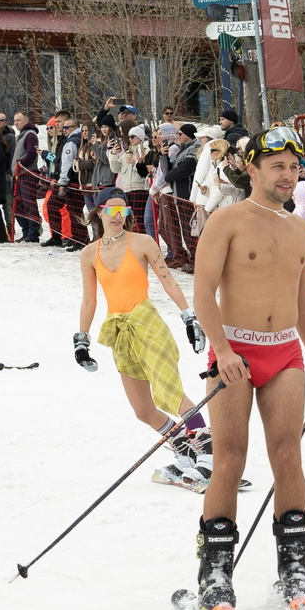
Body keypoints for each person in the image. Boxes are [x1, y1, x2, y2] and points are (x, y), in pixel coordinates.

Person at [188, 125, 305, 610]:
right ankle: (215, 571)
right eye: (277, 167)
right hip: (235, 351)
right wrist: (223, 349)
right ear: (251, 168)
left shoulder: (299, 227)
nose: (288, 175)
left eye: (294, 168)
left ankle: (295, 568)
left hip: (285, 355)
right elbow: (202, 294)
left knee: (288, 454)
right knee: (230, 456)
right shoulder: (227, 220)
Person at [73, 194, 214, 486]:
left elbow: (168, 279)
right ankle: (185, 451)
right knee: (143, 409)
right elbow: (89, 299)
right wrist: (82, 340)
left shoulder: (142, 242)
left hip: (147, 323)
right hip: (119, 332)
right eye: (111, 210)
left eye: (122, 210)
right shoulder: (89, 253)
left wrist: (189, 317)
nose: (117, 215)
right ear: (99, 212)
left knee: (171, 393)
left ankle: (211, 455)